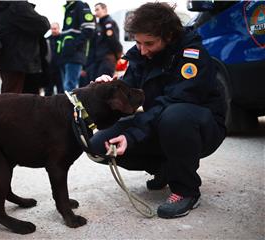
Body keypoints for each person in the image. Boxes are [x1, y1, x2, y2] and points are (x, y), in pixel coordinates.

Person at [90, 2, 226, 219]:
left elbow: (172, 101)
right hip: (159, 121)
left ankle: (186, 189)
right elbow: (129, 97)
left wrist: (132, 135)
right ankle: (166, 169)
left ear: (169, 36)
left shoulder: (192, 56)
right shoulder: (141, 55)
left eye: (149, 43)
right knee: (99, 144)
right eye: (138, 42)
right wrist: (105, 90)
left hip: (197, 126)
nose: (142, 50)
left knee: (174, 117)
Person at [0, 1, 50, 94]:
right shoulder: (18, 6)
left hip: (5, 61)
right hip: (23, 61)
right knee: (25, 100)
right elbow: (43, 25)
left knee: (9, 95)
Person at [60, 0, 95, 92]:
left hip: (75, 54)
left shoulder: (80, 5)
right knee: (68, 85)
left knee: (70, 86)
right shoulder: (69, 8)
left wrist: (73, 46)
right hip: (68, 54)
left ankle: (72, 106)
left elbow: (89, 28)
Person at [87, 2, 122, 82]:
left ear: (105, 9)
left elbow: (113, 41)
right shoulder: (99, 24)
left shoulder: (108, 23)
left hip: (107, 59)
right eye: (95, 10)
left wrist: (117, 56)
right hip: (99, 60)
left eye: (97, 10)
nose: (96, 12)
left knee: (104, 84)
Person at [44, 22, 63, 96]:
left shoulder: (63, 39)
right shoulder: (47, 40)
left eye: (55, 29)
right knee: (48, 89)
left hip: (60, 67)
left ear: (59, 29)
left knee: (61, 89)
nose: (53, 30)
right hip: (49, 68)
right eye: (52, 29)